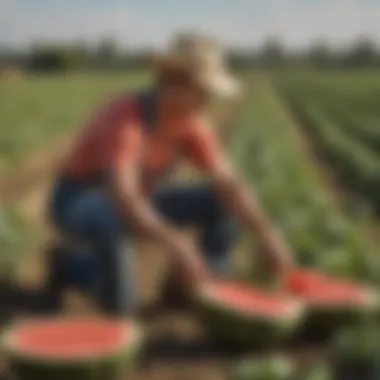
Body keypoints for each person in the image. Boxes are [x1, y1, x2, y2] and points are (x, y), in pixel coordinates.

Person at [43, 33, 293, 316]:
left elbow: (229, 183)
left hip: (139, 200)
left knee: (221, 199)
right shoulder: (124, 117)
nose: (209, 99)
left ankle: (192, 284)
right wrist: (178, 244)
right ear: (176, 83)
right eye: (205, 90)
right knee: (121, 290)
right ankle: (70, 266)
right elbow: (122, 197)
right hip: (78, 202)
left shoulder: (191, 124)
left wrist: (266, 233)